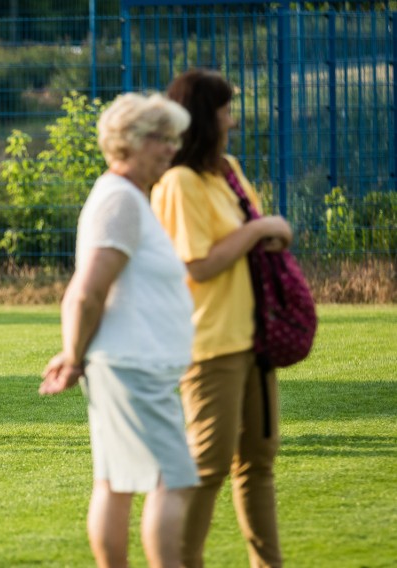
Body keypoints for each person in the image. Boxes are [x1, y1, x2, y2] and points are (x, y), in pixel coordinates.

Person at [39, 93, 197, 568]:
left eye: (174, 138)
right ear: (128, 141)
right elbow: (85, 291)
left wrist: (76, 355)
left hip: (128, 363)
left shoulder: (128, 197)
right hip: (132, 366)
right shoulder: (120, 200)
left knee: (118, 481)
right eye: (161, 139)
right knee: (174, 478)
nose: (171, 149)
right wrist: (72, 355)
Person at [152, 69, 293, 568]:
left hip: (255, 338)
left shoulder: (227, 170)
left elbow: (266, 236)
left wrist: (264, 232)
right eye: (225, 109)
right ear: (203, 118)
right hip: (209, 343)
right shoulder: (178, 183)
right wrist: (260, 232)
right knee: (206, 468)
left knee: (259, 463)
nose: (232, 119)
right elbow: (199, 263)